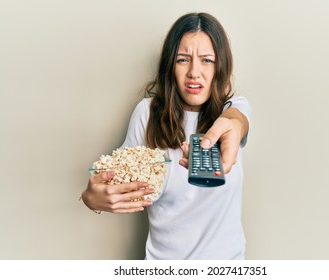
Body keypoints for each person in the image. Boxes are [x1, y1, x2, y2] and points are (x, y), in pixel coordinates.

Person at [81, 12, 251, 260]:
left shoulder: (233, 108)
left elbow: (237, 121)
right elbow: (116, 182)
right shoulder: (147, 113)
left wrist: (230, 125)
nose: (194, 72)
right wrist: (90, 198)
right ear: (170, 65)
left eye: (206, 60)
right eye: (183, 60)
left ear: (220, 66)